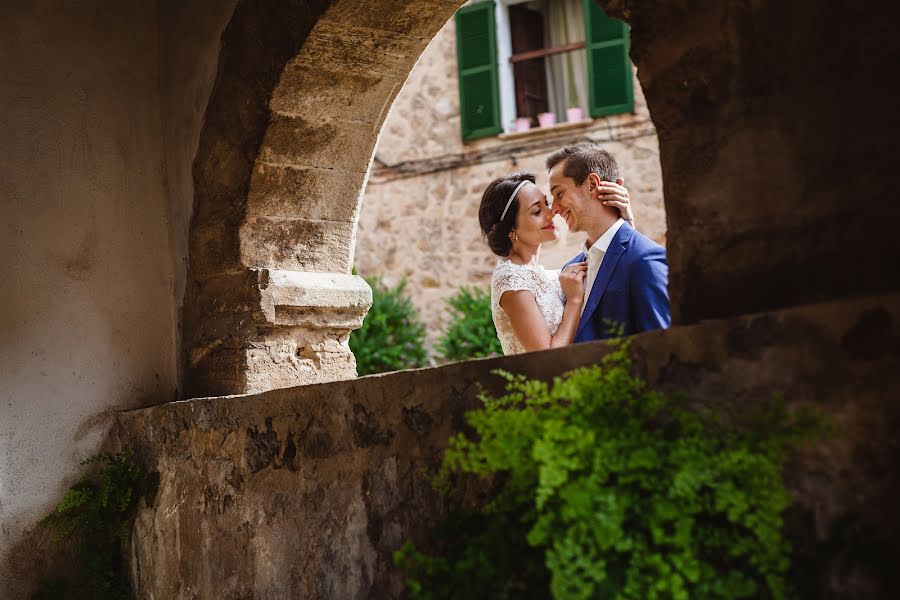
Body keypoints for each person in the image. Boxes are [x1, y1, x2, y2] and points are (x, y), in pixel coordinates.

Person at [478, 171, 634, 355]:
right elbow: (546, 357)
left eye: (547, 204)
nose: (551, 213)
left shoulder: (556, 275)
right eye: (537, 211)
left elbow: (616, 269)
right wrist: (574, 301)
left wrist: (627, 221)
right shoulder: (510, 280)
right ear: (511, 229)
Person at [548, 143, 670, 342]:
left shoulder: (644, 261)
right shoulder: (570, 272)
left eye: (559, 194)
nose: (554, 209)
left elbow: (662, 348)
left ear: (592, 185)